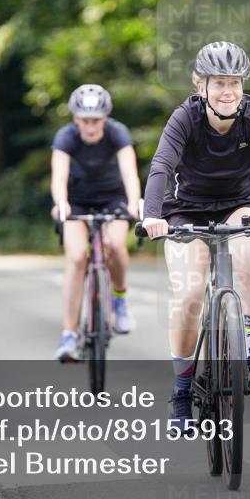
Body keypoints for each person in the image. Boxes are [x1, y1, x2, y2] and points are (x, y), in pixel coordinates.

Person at [140, 41, 250, 429]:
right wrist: (152, 217)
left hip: (240, 204)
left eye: (235, 82)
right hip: (185, 211)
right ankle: (182, 390)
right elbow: (161, 165)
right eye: (219, 83)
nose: (228, 91)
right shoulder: (185, 117)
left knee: (248, 255)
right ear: (202, 87)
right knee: (188, 294)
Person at [51, 84, 141, 362]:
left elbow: (130, 174)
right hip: (77, 201)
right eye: (84, 120)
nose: (90, 127)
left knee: (115, 245)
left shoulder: (117, 133)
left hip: (112, 198)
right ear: (75, 119)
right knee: (77, 257)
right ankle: (69, 335)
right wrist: (61, 203)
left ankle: (120, 299)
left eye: (96, 120)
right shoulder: (65, 137)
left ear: (105, 118)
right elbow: (59, 176)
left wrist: (135, 203)